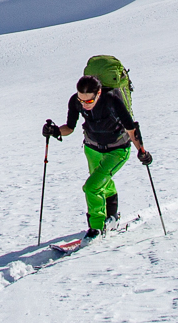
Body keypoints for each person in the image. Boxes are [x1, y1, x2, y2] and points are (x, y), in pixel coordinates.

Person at [43, 74, 149, 238]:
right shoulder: (75, 102)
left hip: (117, 150)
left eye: (89, 101)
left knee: (92, 187)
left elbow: (130, 129)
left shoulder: (112, 101)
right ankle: (112, 217)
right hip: (92, 148)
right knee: (102, 183)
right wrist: (55, 131)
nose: (84, 104)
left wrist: (141, 151)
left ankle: (97, 228)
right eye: (81, 100)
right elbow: (70, 127)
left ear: (98, 93)